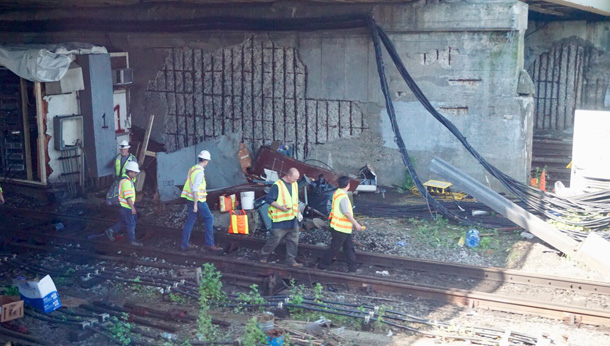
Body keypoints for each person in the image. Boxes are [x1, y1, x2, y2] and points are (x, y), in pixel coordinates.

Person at [317, 176, 363, 273]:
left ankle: (352, 267)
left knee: (349, 247)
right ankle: (321, 266)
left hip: (340, 227)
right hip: (340, 228)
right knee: (334, 248)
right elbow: (346, 213)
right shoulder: (343, 197)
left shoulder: (337, 193)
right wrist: (356, 224)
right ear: (348, 185)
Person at [260, 168, 303, 267]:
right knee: (275, 239)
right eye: (294, 179)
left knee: (293, 241)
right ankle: (263, 256)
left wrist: (298, 212)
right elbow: (269, 199)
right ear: (288, 176)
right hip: (280, 220)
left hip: (292, 218)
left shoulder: (295, 184)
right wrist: (280, 207)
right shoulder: (278, 185)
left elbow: (295, 200)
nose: (295, 181)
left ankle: (291, 261)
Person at [180, 150, 222, 252]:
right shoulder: (199, 172)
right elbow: (195, 188)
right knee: (209, 219)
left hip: (190, 199)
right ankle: (210, 244)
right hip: (198, 201)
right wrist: (195, 204)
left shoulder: (193, 168)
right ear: (206, 161)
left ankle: (184, 244)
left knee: (191, 220)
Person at [105, 161, 143, 246]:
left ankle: (110, 230)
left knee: (124, 221)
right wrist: (132, 207)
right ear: (130, 172)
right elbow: (127, 197)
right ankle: (132, 240)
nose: (136, 174)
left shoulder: (127, 180)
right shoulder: (126, 182)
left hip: (124, 206)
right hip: (126, 206)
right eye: (135, 172)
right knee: (131, 223)